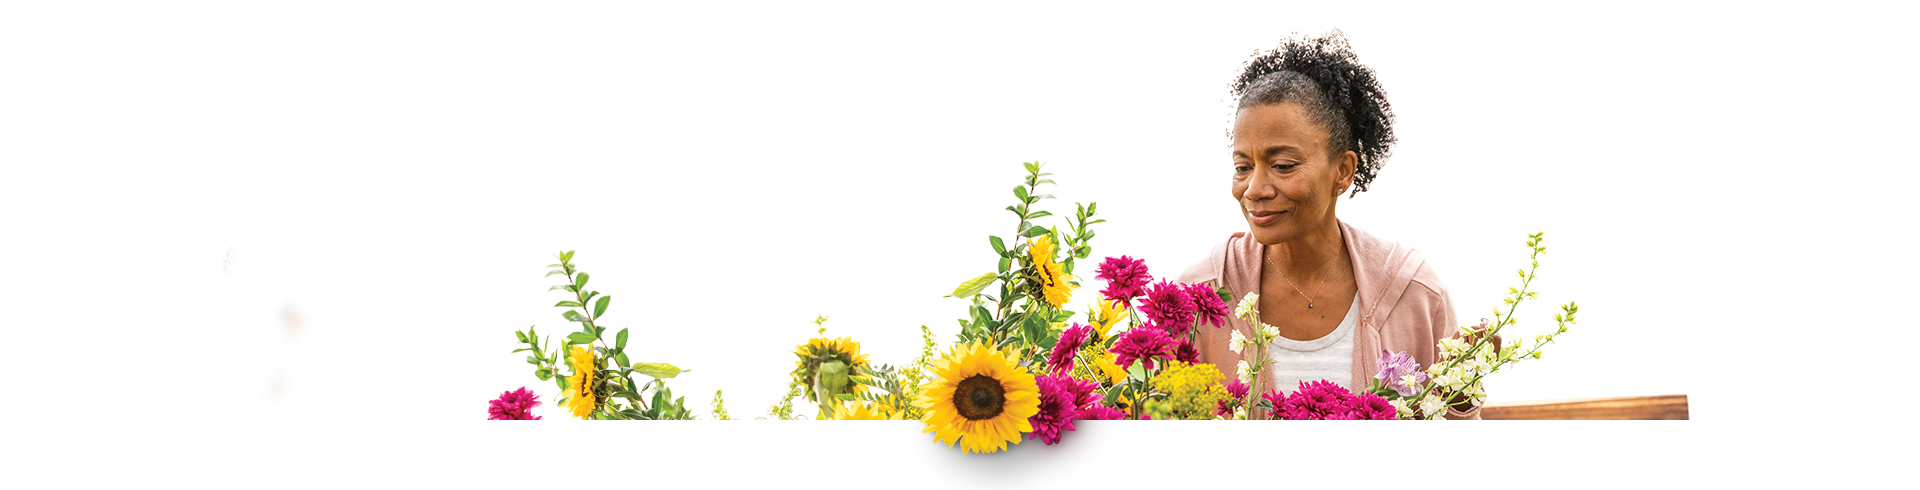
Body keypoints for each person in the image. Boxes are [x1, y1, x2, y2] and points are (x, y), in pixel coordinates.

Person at [1175, 29, 1482, 419]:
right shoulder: (1200, 297)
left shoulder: (1415, 294)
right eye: (1242, 167)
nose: (1254, 189)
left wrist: (1458, 399)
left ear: (1343, 170)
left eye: (1283, 166)